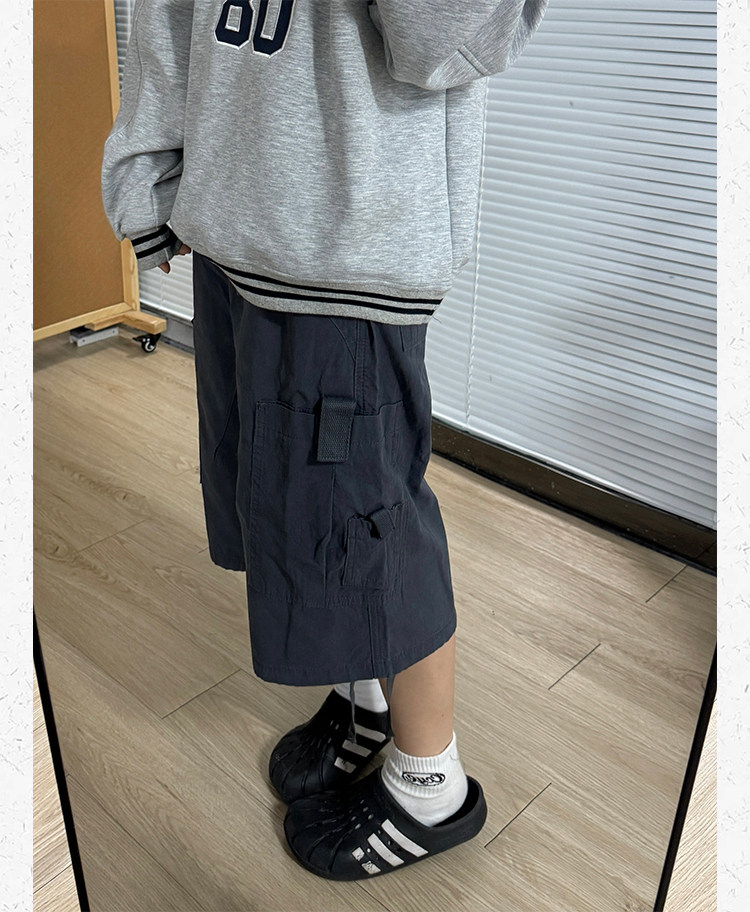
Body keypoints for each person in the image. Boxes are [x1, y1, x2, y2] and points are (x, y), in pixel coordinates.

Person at [101, 0, 548, 882]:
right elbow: (170, 21)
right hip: (233, 221)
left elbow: (446, 41)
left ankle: (430, 786)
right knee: (288, 504)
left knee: (369, 523)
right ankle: (365, 692)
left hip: (351, 242)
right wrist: (151, 175)